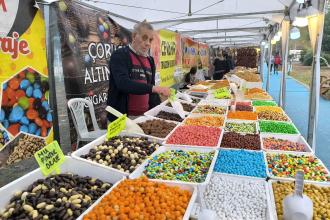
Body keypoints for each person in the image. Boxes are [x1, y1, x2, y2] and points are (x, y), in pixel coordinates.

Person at [107, 20, 170, 121]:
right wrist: (155, 88)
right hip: (122, 118)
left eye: (150, 40)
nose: (147, 43)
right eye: (144, 38)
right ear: (134, 36)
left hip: (145, 116)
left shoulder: (150, 60)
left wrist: (160, 108)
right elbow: (123, 84)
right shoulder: (120, 55)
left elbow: (150, 90)